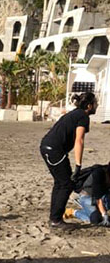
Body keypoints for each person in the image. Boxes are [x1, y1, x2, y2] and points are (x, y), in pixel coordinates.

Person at [40, 92, 98, 229]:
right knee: (66, 184)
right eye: (95, 104)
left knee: (60, 183)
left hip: (48, 148)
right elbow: (79, 140)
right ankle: (56, 220)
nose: (97, 106)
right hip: (54, 150)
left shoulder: (75, 114)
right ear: (89, 106)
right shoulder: (83, 116)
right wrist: (78, 166)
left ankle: (55, 218)